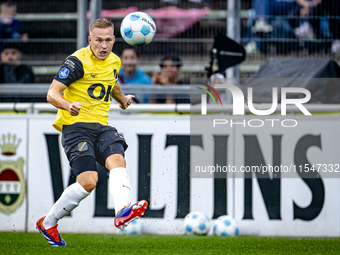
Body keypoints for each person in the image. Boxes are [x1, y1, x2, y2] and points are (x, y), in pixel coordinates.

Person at [36, 18, 148, 247]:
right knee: (89, 182)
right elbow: (52, 94)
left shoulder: (114, 62)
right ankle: (47, 223)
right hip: (76, 128)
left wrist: (122, 99)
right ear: (90, 40)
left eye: (108, 40)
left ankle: (122, 211)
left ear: (114, 40)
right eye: (98, 40)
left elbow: (112, 82)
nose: (103, 46)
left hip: (101, 127)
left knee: (118, 160)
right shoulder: (77, 62)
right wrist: (68, 105)